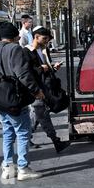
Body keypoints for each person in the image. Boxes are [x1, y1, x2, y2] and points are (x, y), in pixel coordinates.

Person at [0, 22, 44, 181]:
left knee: (7, 133)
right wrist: (36, 91)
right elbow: (23, 74)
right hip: (15, 99)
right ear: (14, 36)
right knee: (23, 132)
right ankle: (23, 168)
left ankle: (7, 167)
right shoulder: (15, 49)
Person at [22, 26, 70, 154]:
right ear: (36, 37)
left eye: (47, 39)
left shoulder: (44, 50)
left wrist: (53, 68)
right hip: (36, 89)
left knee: (37, 115)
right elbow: (26, 72)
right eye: (44, 39)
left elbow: (46, 69)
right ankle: (56, 141)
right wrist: (40, 69)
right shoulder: (26, 51)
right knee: (42, 114)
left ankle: (26, 138)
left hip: (47, 86)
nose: (46, 41)